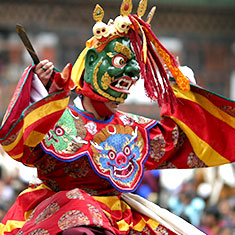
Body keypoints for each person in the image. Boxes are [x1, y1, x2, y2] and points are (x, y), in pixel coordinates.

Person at [0, 0, 234, 234]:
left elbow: (183, 140)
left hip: (118, 218)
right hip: (61, 213)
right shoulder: (58, 120)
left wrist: (178, 87)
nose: (132, 72)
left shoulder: (134, 130)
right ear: (91, 62)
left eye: (134, 65)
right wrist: (42, 96)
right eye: (121, 61)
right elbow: (19, 145)